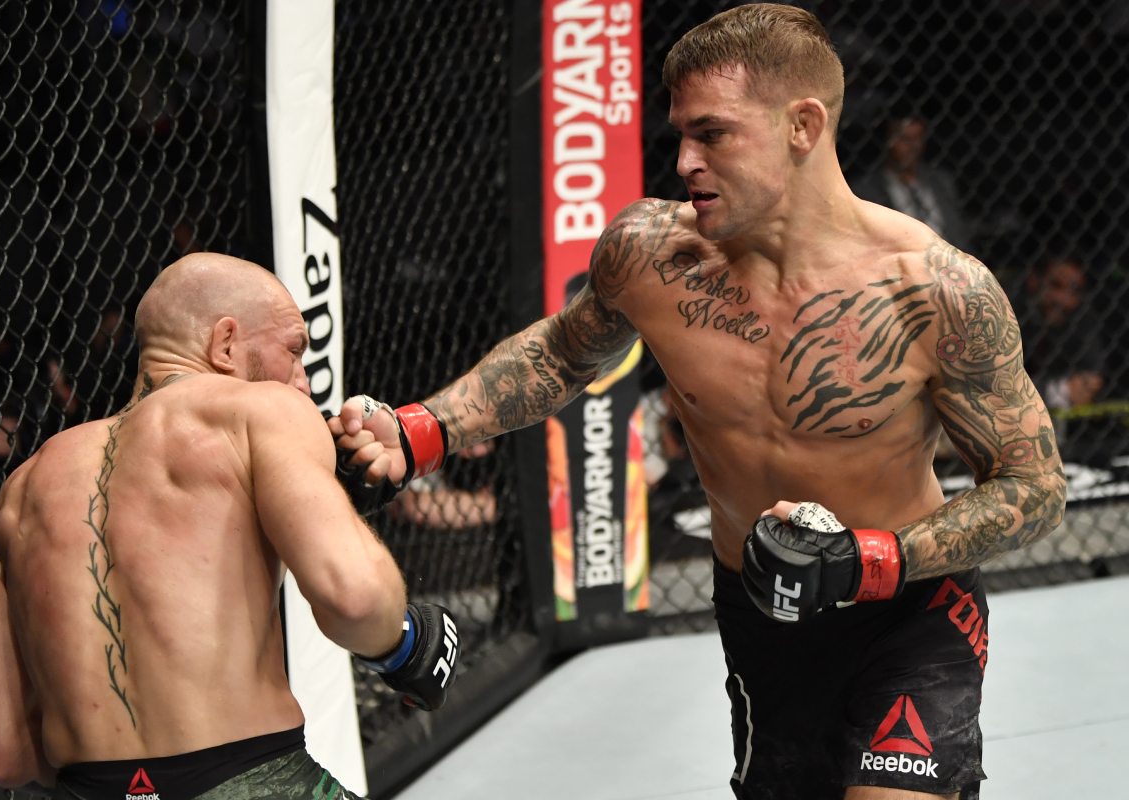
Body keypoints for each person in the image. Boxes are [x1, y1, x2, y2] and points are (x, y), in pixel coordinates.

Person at [329, 6, 1065, 799]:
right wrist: (424, 429)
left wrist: (870, 560)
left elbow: (1034, 487)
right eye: (679, 134)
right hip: (759, 618)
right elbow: (564, 351)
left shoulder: (936, 291)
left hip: (909, 612)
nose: (684, 160)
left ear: (803, 126)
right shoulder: (652, 254)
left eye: (712, 134)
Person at [0, 253, 459, 800]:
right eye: (294, 351)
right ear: (225, 344)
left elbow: (2, 749)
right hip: (250, 778)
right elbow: (357, 598)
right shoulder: (259, 411)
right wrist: (406, 645)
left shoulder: (22, 488)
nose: (303, 383)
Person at [852, 115, 973, 252]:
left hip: (947, 256)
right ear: (888, 140)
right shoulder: (866, 190)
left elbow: (960, 234)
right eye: (904, 139)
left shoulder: (941, 180)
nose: (912, 146)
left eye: (916, 138)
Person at [1019, 256, 1105, 409]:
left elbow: (1090, 378)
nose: (1064, 300)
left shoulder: (1079, 315)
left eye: (1074, 290)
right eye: (1056, 285)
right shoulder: (1003, 310)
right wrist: (1060, 391)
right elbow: (996, 387)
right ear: (1033, 281)